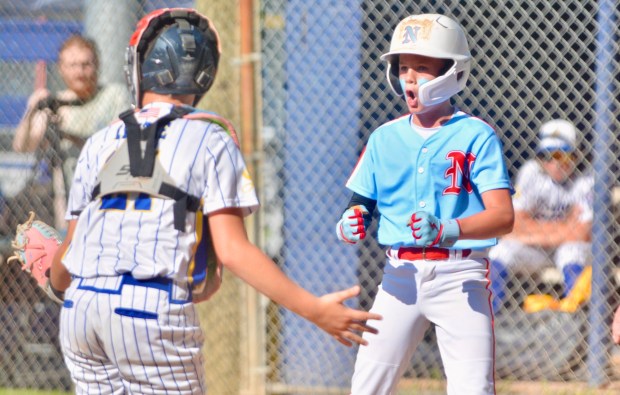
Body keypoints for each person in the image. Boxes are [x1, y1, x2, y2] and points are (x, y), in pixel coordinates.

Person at [48, 8, 380, 394]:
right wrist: (315, 310)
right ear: (203, 75)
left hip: (80, 312)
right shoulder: (210, 135)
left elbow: (65, 262)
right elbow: (233, 252)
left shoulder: (100, 140)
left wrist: (54, 282)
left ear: (139, 66)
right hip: (150, 310)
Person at [335, 13, 514, 395]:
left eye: (422, 67)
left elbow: (502, 216)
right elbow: (361, 203)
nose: (410, 77)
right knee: (367, 387)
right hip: (400, 276)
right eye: (402, 67)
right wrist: (350, 220)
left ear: (453, 72)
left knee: (473, 389)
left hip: (460, 275)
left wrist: (448, 229)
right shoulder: (384, 138)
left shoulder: (476, 135)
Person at [12, 34, 130, 229]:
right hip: (68, 200)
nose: (80, 72)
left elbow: (118, 146)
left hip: (110, 196)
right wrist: (31, 110)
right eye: (73, 65)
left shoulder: (115, 96)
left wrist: (67, 135)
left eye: (86, 64)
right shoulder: (58, 105)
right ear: (61, 69)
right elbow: (22, 147)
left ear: (97, 64)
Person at [488, 119, 594, 313]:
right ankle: (492, 315)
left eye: (559, 154)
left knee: (571, 250)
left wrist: (532, 228)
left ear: (575, 155)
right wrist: (565, 227)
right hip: (537, 251)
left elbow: (582, 234)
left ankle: (575, 313)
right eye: (544, 156)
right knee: (501, 251)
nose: (552, 162)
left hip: (570, 249)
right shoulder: (531, 172)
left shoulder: (587, 178)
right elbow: (512, 226)